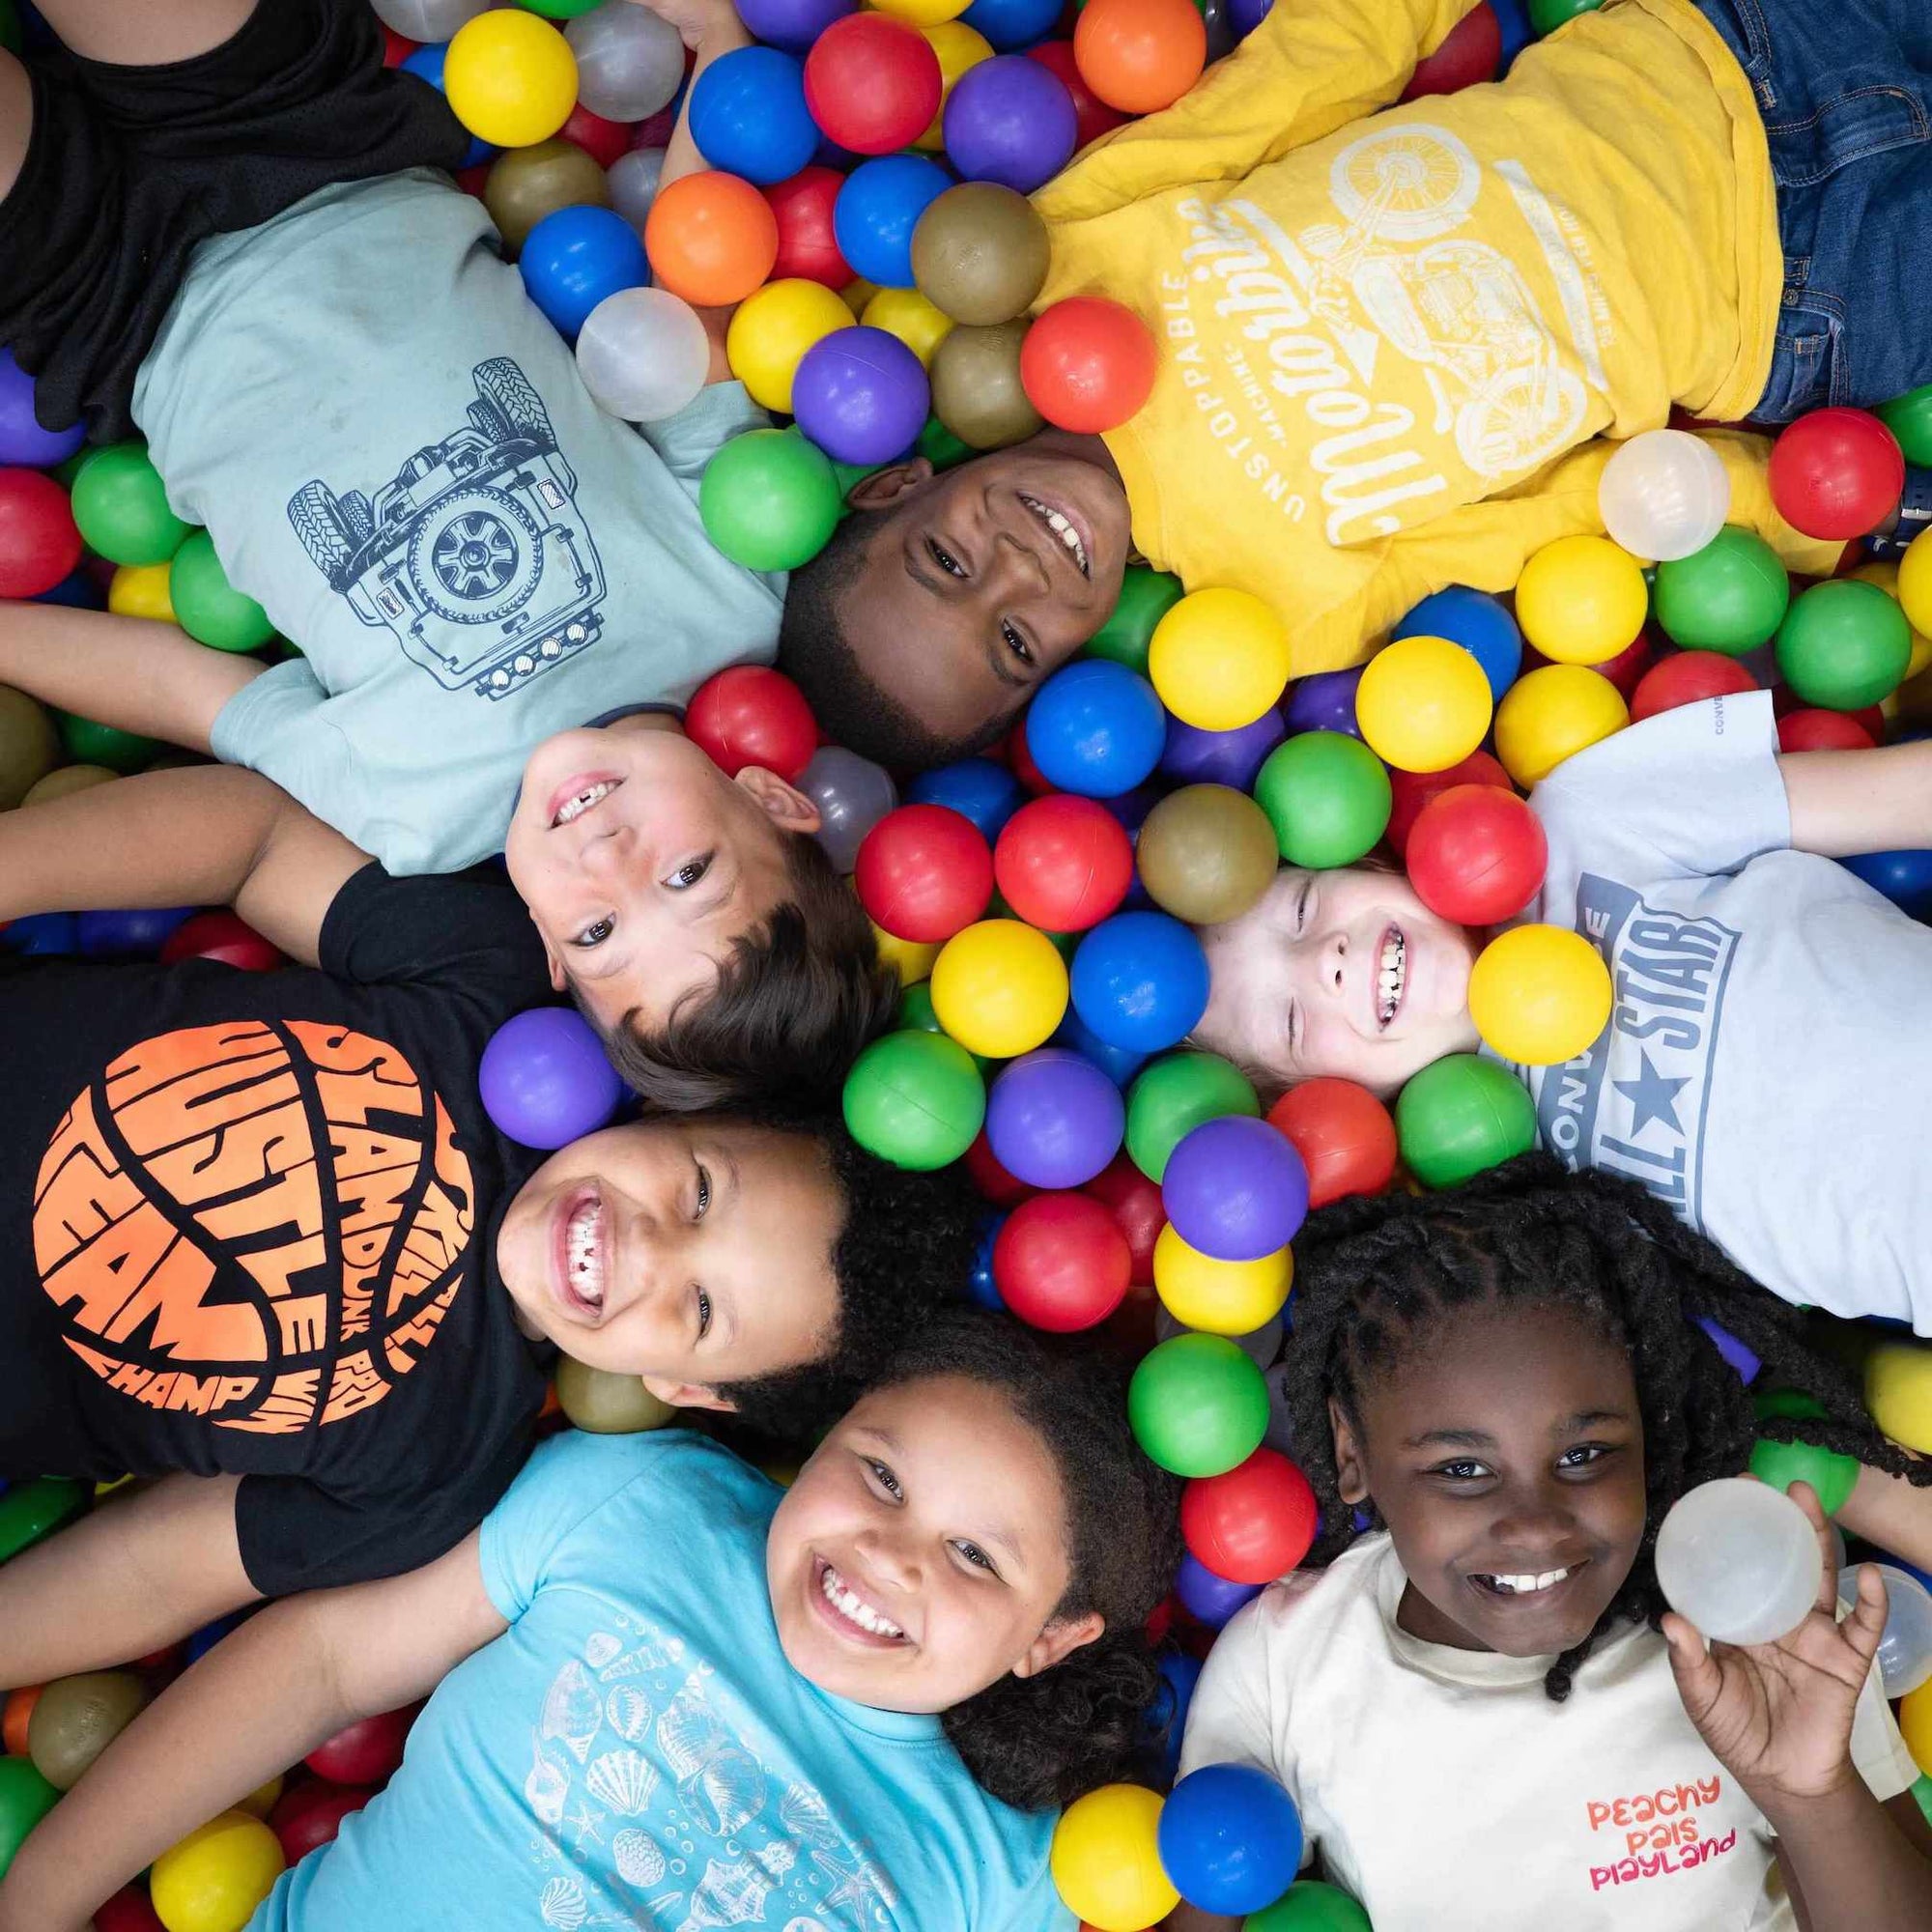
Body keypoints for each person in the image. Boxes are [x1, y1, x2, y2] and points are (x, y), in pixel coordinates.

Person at [0, 756, 980, 1690]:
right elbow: (254, 840)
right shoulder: (497, 983)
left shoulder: (442, 1470)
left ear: (684, 1385)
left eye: (696, 1306)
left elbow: (150, 1571)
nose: (644, 1245)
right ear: (686, 1111)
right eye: (697, 1192)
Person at [776, 0, 1932, 766]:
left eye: (946, 562)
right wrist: (1802, 502)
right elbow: (1556, 520)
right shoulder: (1277, 612)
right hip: (1803, 306)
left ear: (891, 487)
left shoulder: (1070, 253)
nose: (1016, 574)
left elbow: (1288, 85)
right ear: (1068, 680)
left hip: (1713, 47)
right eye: (1015, 643)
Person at [0, 1309, 1181, 1932]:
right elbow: (320, 1660)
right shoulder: (644, 1503)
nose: (888, 1552)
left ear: (1051, 1635)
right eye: (877, 1475)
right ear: (822, 1433)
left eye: (974, 1556)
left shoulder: (1004, 1867)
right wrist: (46, 1891)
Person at [1170, 1157, 1932, 1932]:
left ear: (1648, 1422)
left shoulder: (1764, 1627)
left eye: (1584, 1455)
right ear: (1351, 1455)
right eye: (1462, 1469)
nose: (1536, 1523)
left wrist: (1809, 1793)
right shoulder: (1289, 1661)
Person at [1191, 692, 1932, 1331]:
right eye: (1290, 1022)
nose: (1327, 958)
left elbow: (1898, 793)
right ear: (1323, 1107)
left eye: (1301, 907)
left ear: (1359, 857)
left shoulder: (1574, 826)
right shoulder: (1500, 1216)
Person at [0, 609, 895, 1110]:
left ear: (547, 946)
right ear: (773, 799)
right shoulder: (722, 604)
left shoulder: (397, 810)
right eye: (687, 875)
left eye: (595, 929)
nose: (607, 856)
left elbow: (200, 699)